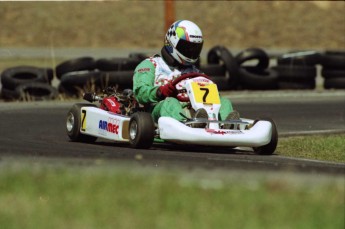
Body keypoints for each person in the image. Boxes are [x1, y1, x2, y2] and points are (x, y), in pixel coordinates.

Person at [133, 20, 239, 127]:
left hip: (195, 110)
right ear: (172, 42)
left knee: (224, 102)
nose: (191, 52)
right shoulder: (151, 65)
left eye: (194, 48)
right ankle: (187, 125)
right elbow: (140, 93)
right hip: (159, 110)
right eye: (187, 47)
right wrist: (160, 91)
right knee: (170, 103)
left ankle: (227, 126)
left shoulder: (195, 71)